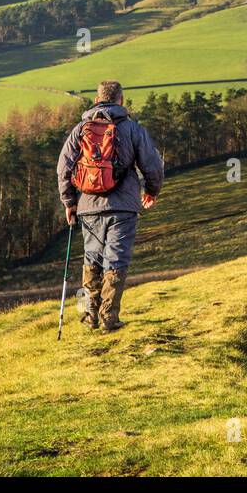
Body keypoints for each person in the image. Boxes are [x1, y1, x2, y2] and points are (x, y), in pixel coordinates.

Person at [56, 80, 164, 332]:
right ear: (121, 101)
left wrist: (69, 202)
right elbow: (152, 164)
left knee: (91, 260)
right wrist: (151, 190)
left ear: (96, 100)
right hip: (123, 206)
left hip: (88, 205)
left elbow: (64, 168)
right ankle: (109, 318)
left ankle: (88, 317)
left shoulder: (80, 129)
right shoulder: (132, 129)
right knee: (116, 260)